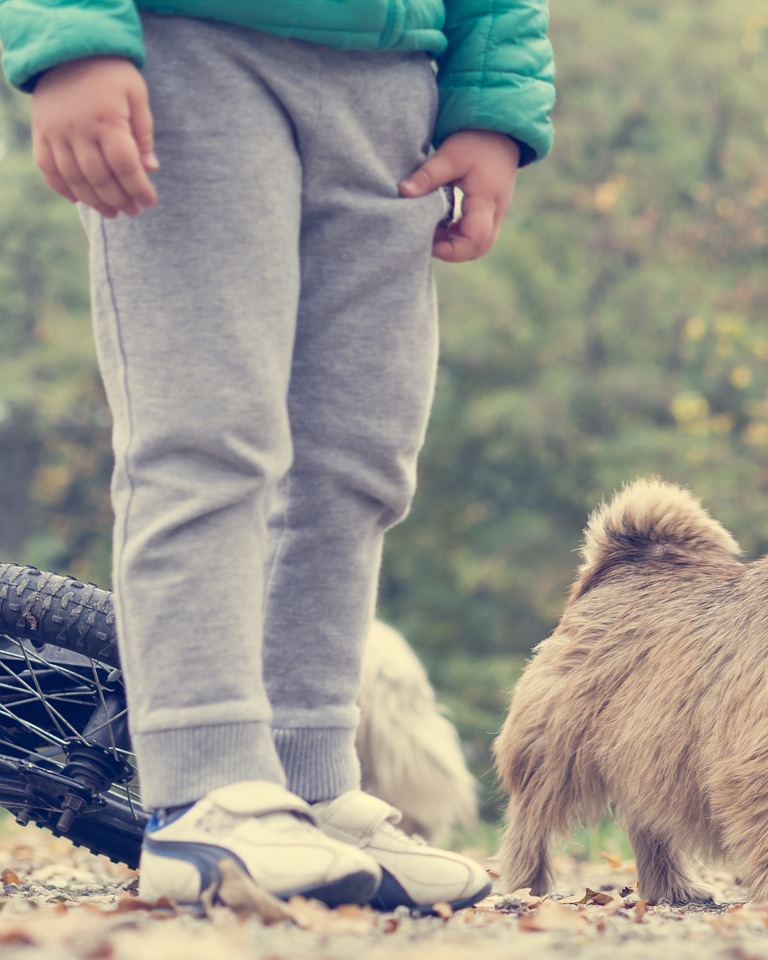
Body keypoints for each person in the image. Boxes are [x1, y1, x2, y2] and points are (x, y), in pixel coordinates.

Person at [0, 0, 553, 912]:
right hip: (194, 49)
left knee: (359, 461)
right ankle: (206, 793)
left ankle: (306, 786)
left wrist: (492, 102)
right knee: (205, 436)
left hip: (395, 86)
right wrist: (72, 38)